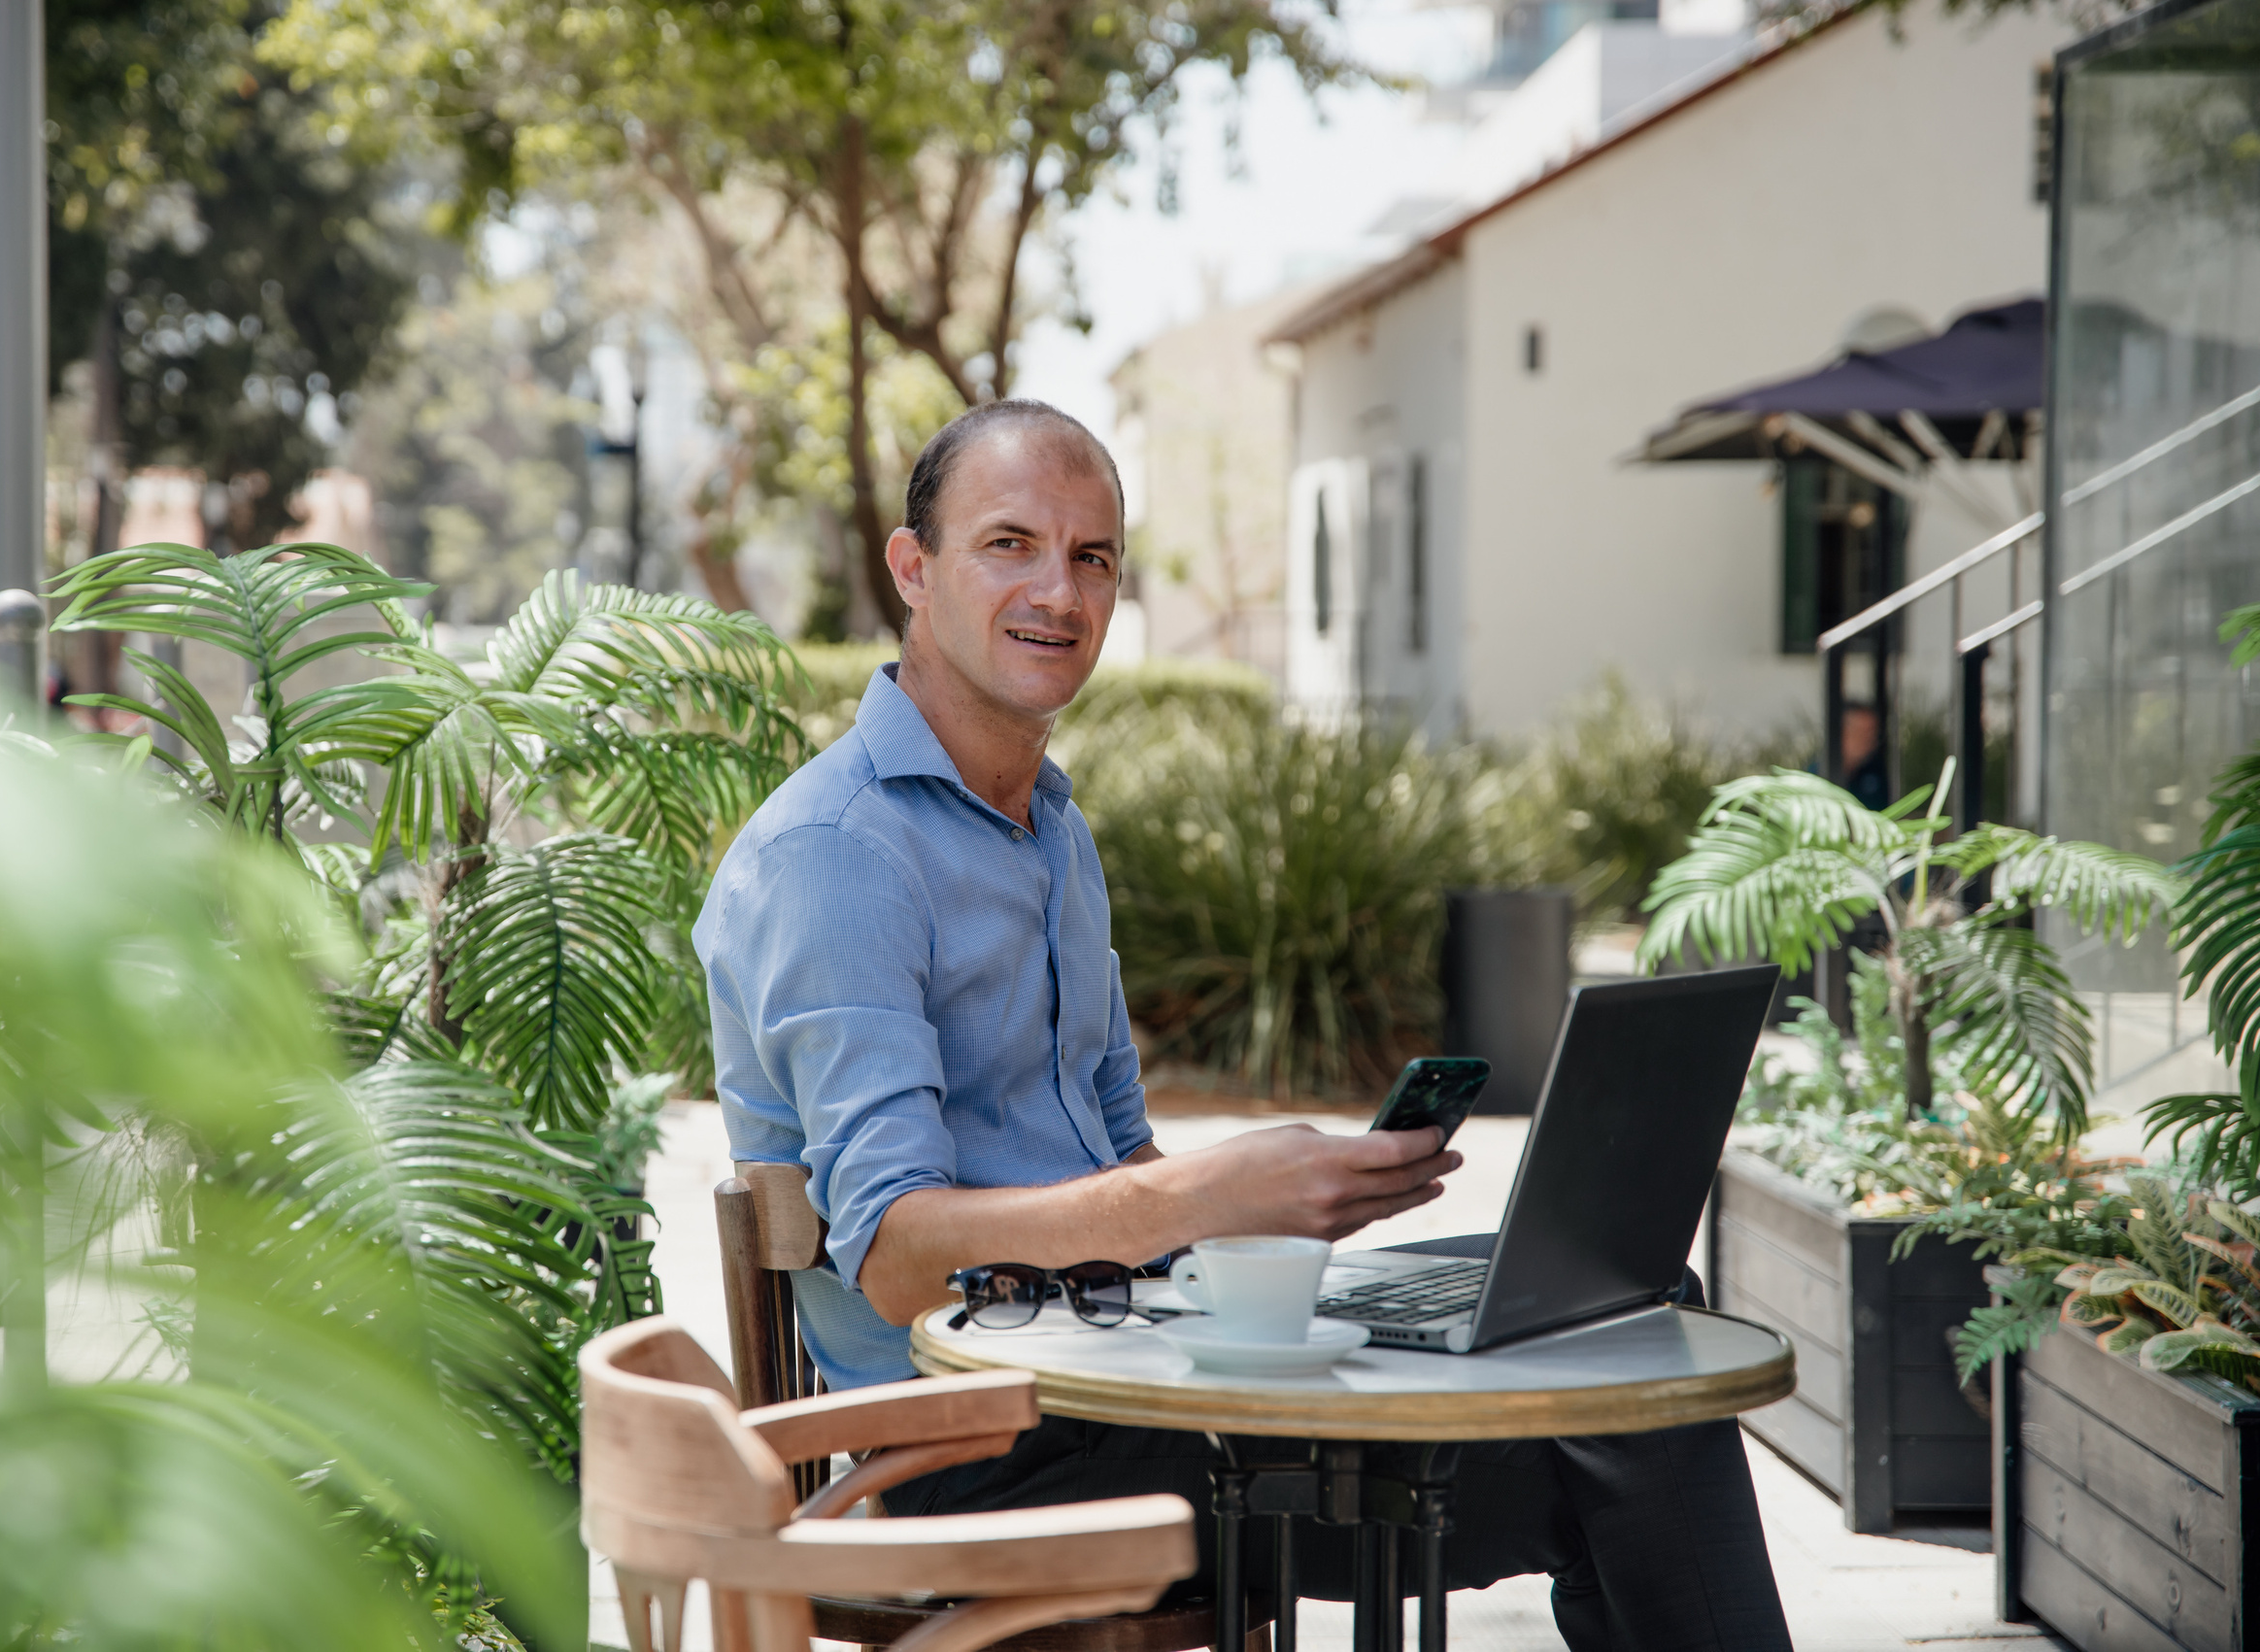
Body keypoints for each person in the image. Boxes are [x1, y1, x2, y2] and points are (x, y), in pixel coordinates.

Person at [695, 398, 1793, 1650]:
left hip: (1125, 1373)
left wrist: (1285, 1206)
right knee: (1621, 1434)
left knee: (1615, 1316)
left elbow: (1126, 1166)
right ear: (912, 568)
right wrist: (1213, 1198)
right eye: (1011, 544)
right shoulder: (838, 855)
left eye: (1093, 557)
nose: (1059, 590)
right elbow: (894, 1258)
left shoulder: (1048, 828)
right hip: (974, 1447)